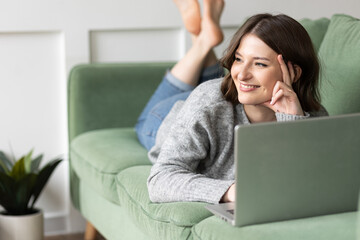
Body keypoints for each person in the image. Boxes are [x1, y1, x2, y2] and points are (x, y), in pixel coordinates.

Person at [135, 0, 328, 204]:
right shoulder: (208, 105)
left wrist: (292, 123)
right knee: (143, 123)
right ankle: (201, 43)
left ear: (294, 72)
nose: (241, 74)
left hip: (210, 101)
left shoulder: (314, 118)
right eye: (238, 59)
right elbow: (159, 180)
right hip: (165, 118)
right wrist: (231, 191)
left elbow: (305, 183)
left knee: (219, 86)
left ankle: (204, 38)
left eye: (260, 64)